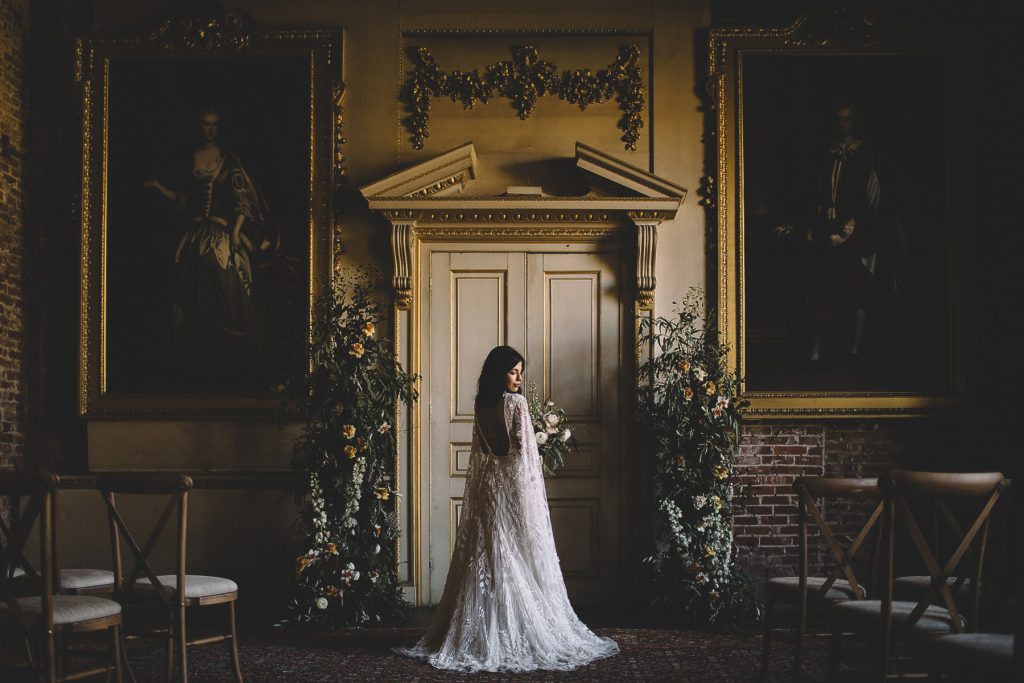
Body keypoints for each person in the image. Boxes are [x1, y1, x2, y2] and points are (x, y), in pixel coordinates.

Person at [395, 346, 619, 672]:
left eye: (520, 371)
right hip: (513, 489)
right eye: (514, 371)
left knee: (489, 554)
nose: (519, 377)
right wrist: (531, 503)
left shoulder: (480, 404)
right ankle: (512, 629)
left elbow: (481, 454)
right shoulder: (516, 403)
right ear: (499, 372)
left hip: (488, 488)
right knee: (515, 554)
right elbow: (526, 458)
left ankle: (478, 630)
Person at [144, 106, 278, 387]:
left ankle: (229, 357)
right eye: (205, 124)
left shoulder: (229, 162)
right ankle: (194, 356)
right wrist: (158, 188)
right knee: (185, 287)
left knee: (226, 285)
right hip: (195, 234)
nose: (210, 129)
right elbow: (182, 200)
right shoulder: (191, 160)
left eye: (215, 125)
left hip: (221, 232)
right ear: (199, 127)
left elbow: (243, 202)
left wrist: (235, 233)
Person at [775, 102, 899, 368]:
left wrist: (857, 229)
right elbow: (814, 194)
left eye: (847, 119)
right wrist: (803, 226)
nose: (842, 124)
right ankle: (816, 353)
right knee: (820, 287)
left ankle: (854, 351)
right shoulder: (827, 154)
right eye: (839, 119)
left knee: (856, 289)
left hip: (855, 232)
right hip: (826, 228)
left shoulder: (865, 155)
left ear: (854, 122)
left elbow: (873, 199)